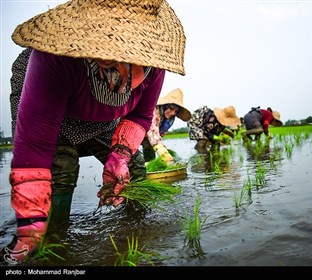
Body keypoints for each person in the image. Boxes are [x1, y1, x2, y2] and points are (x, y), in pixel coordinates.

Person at [3, 0, 186, 263]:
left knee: (133, 168)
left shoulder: (153, 65)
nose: (124, 73)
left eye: (133, 61)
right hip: (53, 105)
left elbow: (139, 115)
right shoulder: (55, 58)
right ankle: (51, 244)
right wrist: (29, 228)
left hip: (104, 116)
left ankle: (138, 226)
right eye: (114, 59)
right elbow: (35, 147)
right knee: (61, 168)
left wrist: (119, 157)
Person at [141, 88, 191, 162]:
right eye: (171, 108)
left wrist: (162, 148)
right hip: (137, 129)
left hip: (148, 136)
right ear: (166, 105)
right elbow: (153, 133)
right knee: (132, 155)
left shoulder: (169, 119)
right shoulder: (155, 110)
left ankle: (148, 167)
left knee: (149, 150)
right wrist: (166, 156)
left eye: (176, 111)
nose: (173, 113)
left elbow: (160, 135)